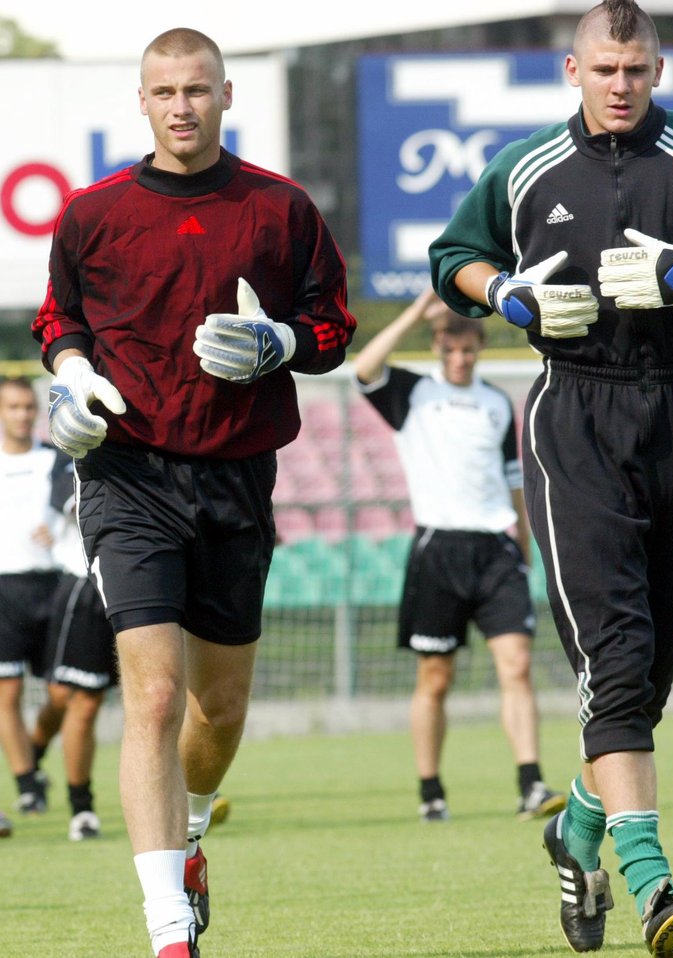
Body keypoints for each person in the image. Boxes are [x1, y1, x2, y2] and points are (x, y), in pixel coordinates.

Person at [429, 1, 673, 954]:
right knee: (617, 654)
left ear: (658, 68)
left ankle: (578, 828)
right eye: (604, 70)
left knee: (644, 686)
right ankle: (651, 883)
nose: (620, 85)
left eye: (635, 71)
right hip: (573, 413)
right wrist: (508, 291)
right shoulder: (525, 168)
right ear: (572, 69)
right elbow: (454, 259)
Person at [32, 27, 355, 958]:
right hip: (126, 475)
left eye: (199, 89)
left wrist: (282, 345)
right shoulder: (92, 212)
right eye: (165, 91)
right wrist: (73, 383)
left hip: (238, 477)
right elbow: (62, 320)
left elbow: (332, 321)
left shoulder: (281, 209)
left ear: (224, 97)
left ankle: (194, 833)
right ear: (142, 101)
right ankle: (168, 926)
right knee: (158, 697)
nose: (183, 105)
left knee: (218, 715)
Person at [354, 288, 567, 824]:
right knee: (435, 678)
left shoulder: (496, 402)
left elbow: (514, 478)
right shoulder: (412, 394)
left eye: (468, 349)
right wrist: (412, 313)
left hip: (496, 549)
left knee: (516, 666)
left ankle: (531, 784)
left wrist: (523, 541)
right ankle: (431, 790)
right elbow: (364, 367)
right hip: (438, 548)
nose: (460, 358)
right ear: (436, 347)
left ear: (478, 348)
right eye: (450, 348)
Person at [28, 449, 119, 842]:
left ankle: (82, 809)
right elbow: (69, 500)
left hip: (139, 586)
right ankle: (32, 754)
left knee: (89, 702)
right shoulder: (73, 454)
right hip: (83, 589)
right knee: (64, 697)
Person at [0, 377, 58, 819]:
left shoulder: (56, 461)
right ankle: (27, 787)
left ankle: (34, 756)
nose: (22, 414)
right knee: (8, 691)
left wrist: (57, 528)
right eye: (13, 407)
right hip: (4, 588)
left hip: (53, 584)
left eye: (27, 407)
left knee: (65, 695)